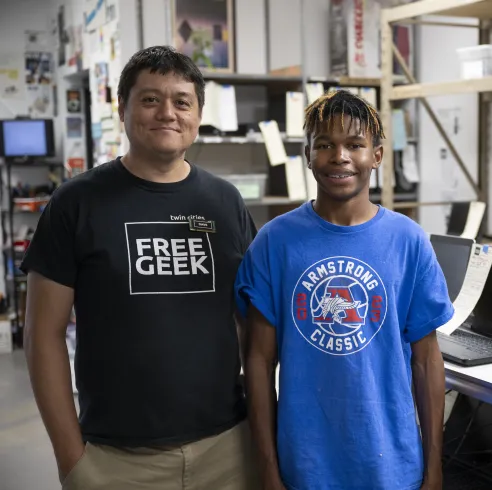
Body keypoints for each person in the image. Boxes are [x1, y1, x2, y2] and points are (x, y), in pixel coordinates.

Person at [22, 46, 259, 490]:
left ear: (198, 112)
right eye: (150, 99)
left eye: (181, 101)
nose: (167, 113)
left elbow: (251, 326)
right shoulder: (75, 203)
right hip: (116, 461)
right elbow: (42, 335)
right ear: (122, 108)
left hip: (228, 449)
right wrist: (72, 459)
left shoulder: (226, 203)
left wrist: (260, 432)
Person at [235, 90, 453, 490]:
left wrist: (434, 468)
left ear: (378, 156)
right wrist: (267, 469)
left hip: (393, 467)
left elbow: (426, 362)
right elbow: (259, 362)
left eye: (355, 144)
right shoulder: (274, 242)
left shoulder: (409, 241)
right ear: (307, 155)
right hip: (304, 468)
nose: (340, 157)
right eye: (324, 145)